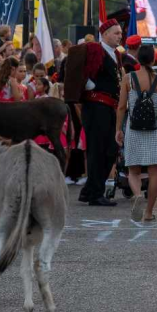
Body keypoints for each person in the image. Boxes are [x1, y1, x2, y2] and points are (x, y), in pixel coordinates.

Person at [63, 18, 124, 207]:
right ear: (105, 34)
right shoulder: (94, 49)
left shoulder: (116, 55)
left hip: (109, 108)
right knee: (97, 151)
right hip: (96, 108)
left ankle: (90, 190)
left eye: (120, 33)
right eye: (116, 33)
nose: (119, 36)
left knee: (111, 149)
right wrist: (88, 84)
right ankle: (94, 193)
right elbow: (72, 64)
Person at [115, 44, 157, 222]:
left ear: (138, 59)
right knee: (154, 172)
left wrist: (118, 129)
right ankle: (148, 212)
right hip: (154, 128)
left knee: (133, 171)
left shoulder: (128, 78)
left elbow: (121, 107)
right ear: (154, 59)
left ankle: (137, 195)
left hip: (133, 128)